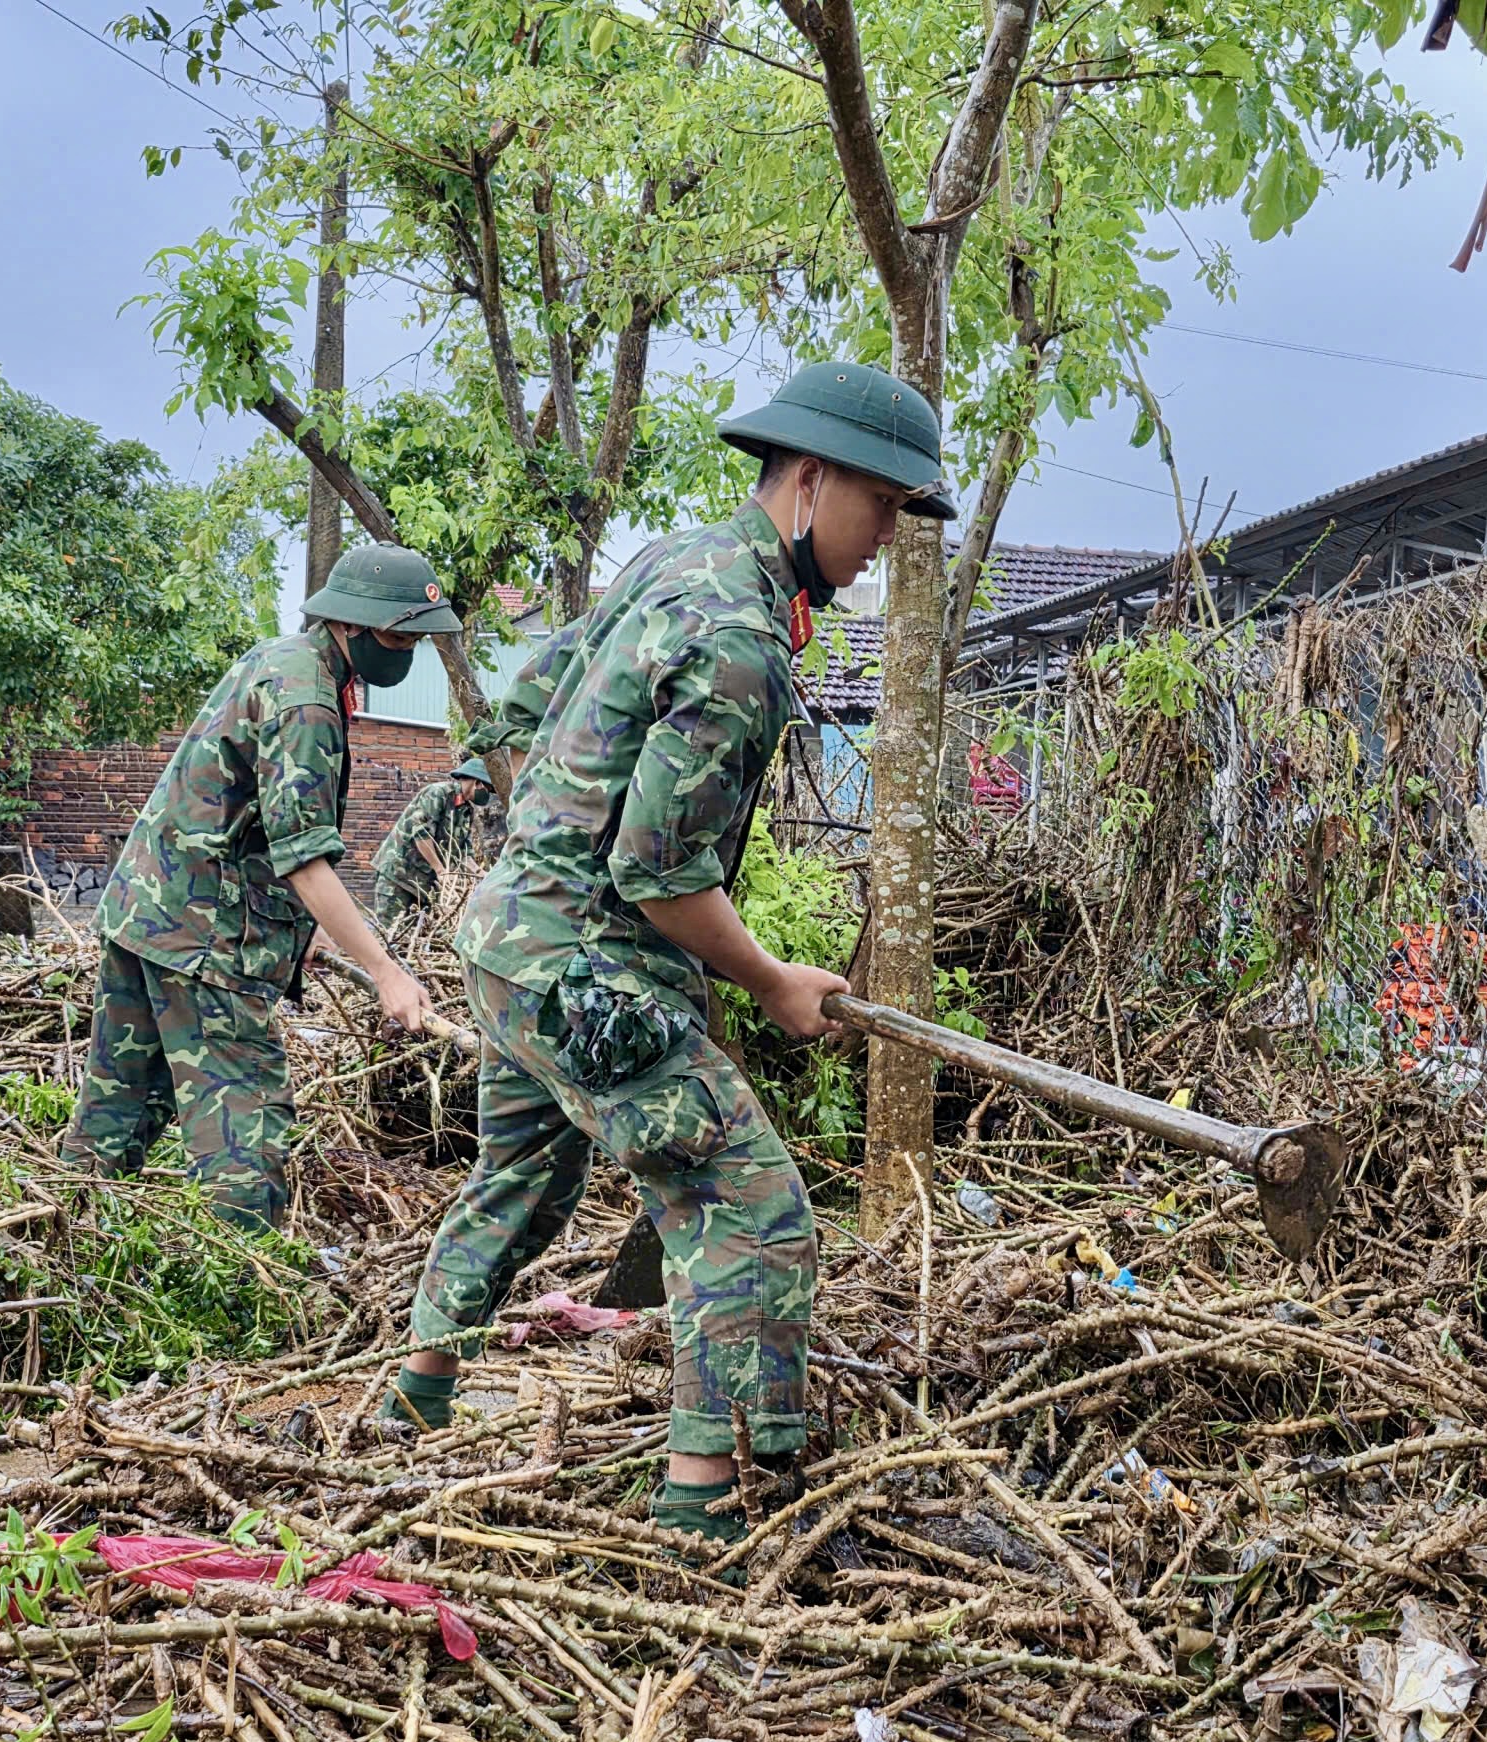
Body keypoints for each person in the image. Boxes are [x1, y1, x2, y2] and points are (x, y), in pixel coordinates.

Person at [391, 362, 956, 1542]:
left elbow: (526, 703)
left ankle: (410, 1403)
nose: (884, 542)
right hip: (586, 973)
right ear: (809, 480)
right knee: (752, 1213)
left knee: (526, 1180)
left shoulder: (669, 561)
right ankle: (714, 1505)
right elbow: (658, 872)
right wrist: (771, 982)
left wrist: (540, 860)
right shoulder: (739, 636)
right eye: (881, 509)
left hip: (507, 946)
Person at [59, 544, 455, 1231]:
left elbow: (252, 824)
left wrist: (308, 932)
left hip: (148, 914)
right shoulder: (306, 699)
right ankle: (243, 1309)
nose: (408, 651)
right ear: (351, 625)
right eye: (398, 636)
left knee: (116, 1112)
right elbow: (303, 857)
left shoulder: (280, 659)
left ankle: (62, 1255)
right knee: (245, 1134)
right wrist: (384, 969)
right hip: (207, 939)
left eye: (416, 637)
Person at [370, 757, 499, 924]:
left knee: (413, 938)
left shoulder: (466, 810)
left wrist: (482, 875)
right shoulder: (438, 794)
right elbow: (421, 835)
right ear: (477, 783)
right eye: (488, 789)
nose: (488, 795)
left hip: (423, 885)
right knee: (389, 933)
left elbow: (464, 852)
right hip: (399, 876)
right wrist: (441, 871)